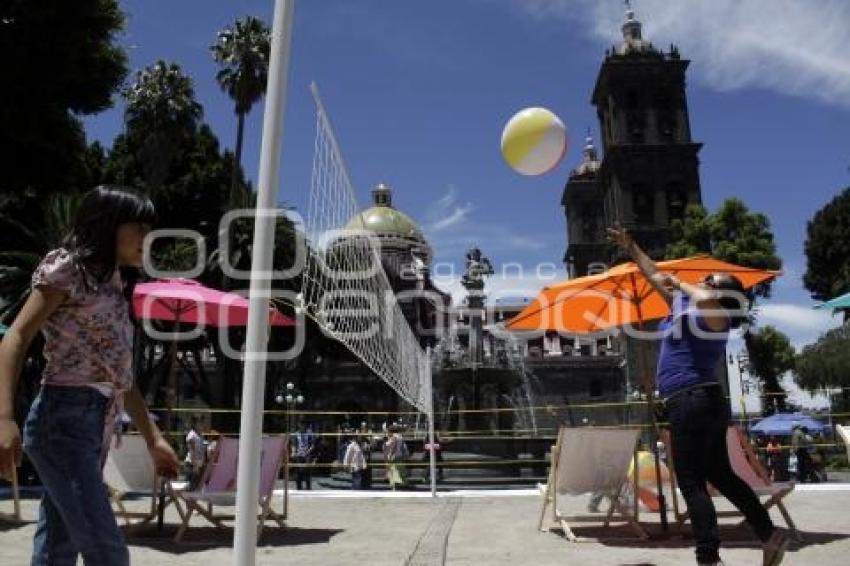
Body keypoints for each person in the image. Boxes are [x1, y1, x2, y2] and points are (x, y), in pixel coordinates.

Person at [0, 186, 181, 565]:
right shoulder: (68, 268)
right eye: (140, 227)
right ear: (108, 224)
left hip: (96, 423)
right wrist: (3, 418)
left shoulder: (116, 285)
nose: (149, 239)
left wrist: (155, 438)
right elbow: (16, 335)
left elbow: (121, 376)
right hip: (61, 421)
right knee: (108, 551)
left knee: (56, 549)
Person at [609, 225, 788, 566]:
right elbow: (655, 276)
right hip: (697, 402)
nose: (705, 280)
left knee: (691, 482)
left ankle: (708, 557)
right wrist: (633, 248)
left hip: (693, 401)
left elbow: (703, 296)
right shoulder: (684, 306)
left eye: (711, 279)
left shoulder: (716, 317)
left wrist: (682, 284)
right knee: (721, 476)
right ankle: (770, 534)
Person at [184, 415, 206, 489]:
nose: (202, 425)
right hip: (192, 465)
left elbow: (201, 450)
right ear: (194, 424)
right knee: (190, 488)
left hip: (199, 465)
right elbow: (192, 451)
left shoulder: (200, 435)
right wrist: (195, 466)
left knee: (196, 488)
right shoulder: (192, 436)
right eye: (199, 423)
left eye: (202, 422)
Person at [293, 422, 316, 490]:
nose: (301, 426)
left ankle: (308, 487)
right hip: (299, 455)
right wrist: (294, 452)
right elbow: (294, 444)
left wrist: (308, 452)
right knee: (298, 472)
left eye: (302, 424)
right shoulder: (296, 434)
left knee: (307, 472)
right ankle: (299, 487)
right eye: (300, 424)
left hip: (307, 455)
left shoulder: (309, 433)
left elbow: (312, 445)